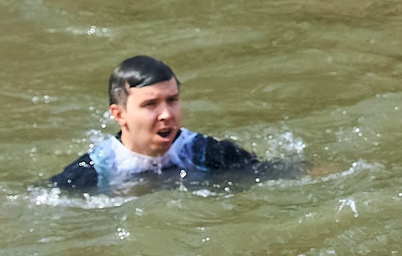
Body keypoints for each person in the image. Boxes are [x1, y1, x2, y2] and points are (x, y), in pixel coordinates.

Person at [44, 55, 295, 193]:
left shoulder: (204, 153)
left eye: (172, 100)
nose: (166, 114)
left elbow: (278, 174)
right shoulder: (93, 171)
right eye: (150, 104)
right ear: (119, 115)